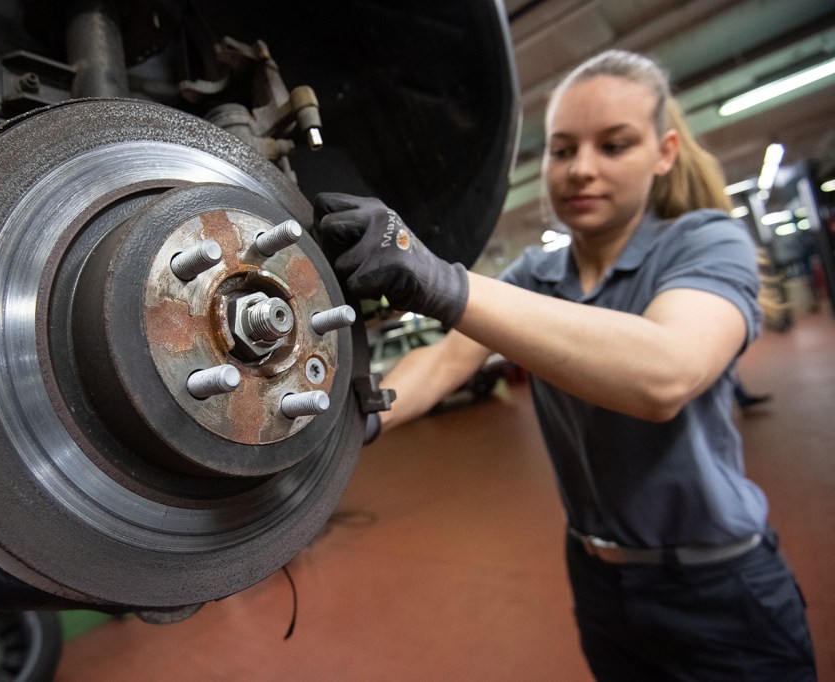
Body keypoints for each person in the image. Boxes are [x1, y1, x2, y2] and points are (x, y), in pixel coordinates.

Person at [314, 50, 816, 681]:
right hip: (599, 580)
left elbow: (666, 374)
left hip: (719, 589)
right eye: (561, 149)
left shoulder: (708, 241)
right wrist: (346, 424)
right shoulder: (537, 276)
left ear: (663, 153)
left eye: (614, 146)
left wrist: (439, 279)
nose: (581, 169)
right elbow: (445, 362)